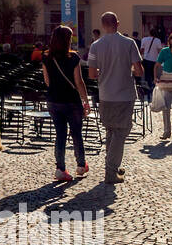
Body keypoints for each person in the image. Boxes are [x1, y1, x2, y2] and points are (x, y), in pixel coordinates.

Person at [86, 12, 143, 184]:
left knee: (111, 131)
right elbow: (139, 71)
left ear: (103, 25)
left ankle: (111, 168)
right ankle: (111, 172)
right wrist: (126, 70)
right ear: (117, 23)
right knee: (119, 133)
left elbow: (91, 74)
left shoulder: (95, 46)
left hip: (105, 94)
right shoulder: (129, 43)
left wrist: (106, 71)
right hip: (124, 94)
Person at [40, 25, 90, 182]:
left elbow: (47, 81)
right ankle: (81, 165)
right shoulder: (73, 57)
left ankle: (60, 169)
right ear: (68, 40)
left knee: (60, 134)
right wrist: (85, 101)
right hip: (71, 101)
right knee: (76, 133)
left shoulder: (46, 57)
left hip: (53, 100)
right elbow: (79, 82)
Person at [139, 27, 164, 103]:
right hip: (154, 61)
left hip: (146, 60)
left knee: (147, 76)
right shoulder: (158, 40)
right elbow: (160, 51)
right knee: (154, 76)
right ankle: (153, 90)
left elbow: (142, 50)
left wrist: (141, 57)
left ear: (149, 33)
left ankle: (148, 90)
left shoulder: (144, 39)